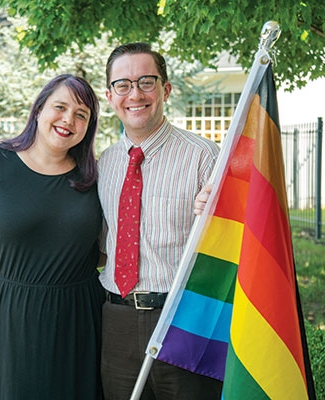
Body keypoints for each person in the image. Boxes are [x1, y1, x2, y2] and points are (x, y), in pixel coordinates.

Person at [0, 74, 105, 400]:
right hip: (0, 316)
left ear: (88, 127)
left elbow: (105, 249)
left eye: (81, 114)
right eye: (60, 106)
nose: (68, 119)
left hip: (75, 320)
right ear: (39, 109)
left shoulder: (97, 179)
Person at [97, 42, 223, 399]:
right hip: (116, 320)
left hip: (183, 317)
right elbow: (103, 244)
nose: (134, 94)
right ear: (110, 96)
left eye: (146, 82)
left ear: (165, 89)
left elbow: (231, 241)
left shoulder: (204, 158)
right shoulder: (104, 164)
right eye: (123, 84)